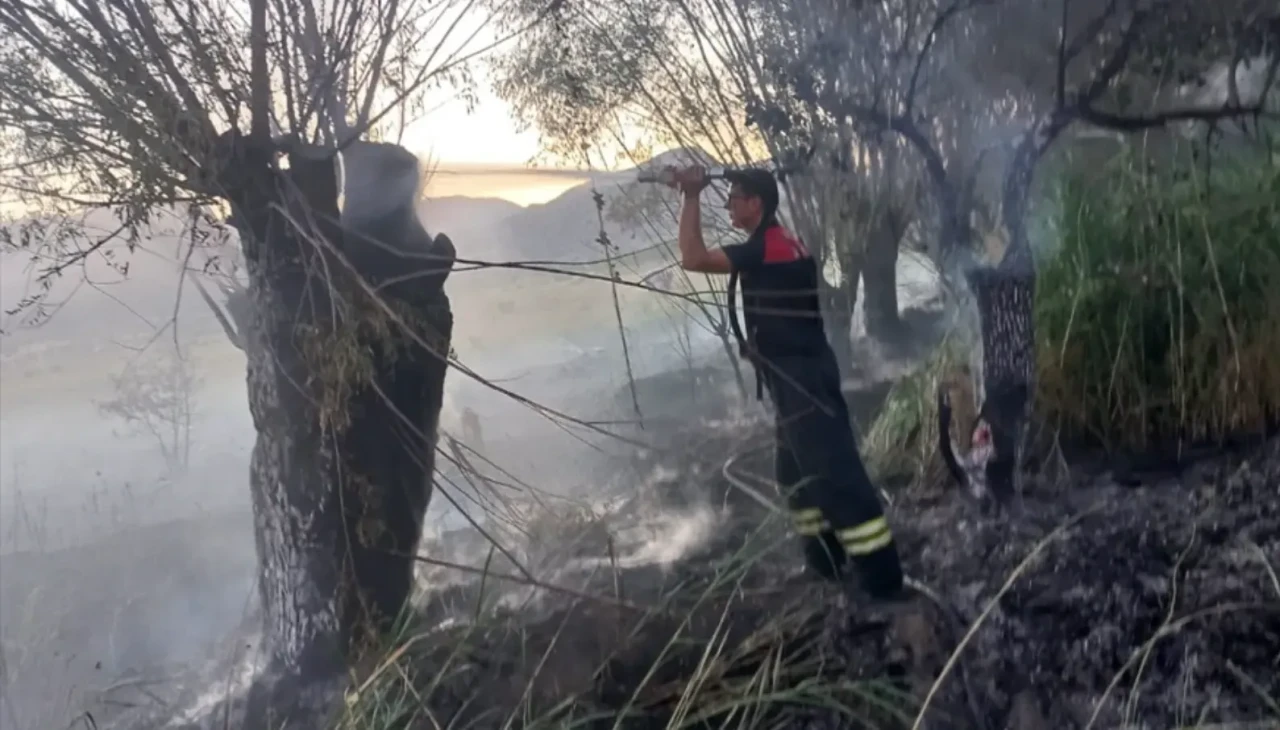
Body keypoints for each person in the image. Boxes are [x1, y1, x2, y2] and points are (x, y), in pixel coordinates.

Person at [664, 164, 908, 603]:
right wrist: (762, 345)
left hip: (803, 379)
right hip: (794, 374)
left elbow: (693, 258)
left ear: (756, 203)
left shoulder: (768, 247)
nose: (729, 203)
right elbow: (781, 307)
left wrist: (691, 195)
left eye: (734, 196)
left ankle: (884, 581)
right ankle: (827, 565)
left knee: (836, 476)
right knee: (793, 474)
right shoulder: (778, 243)